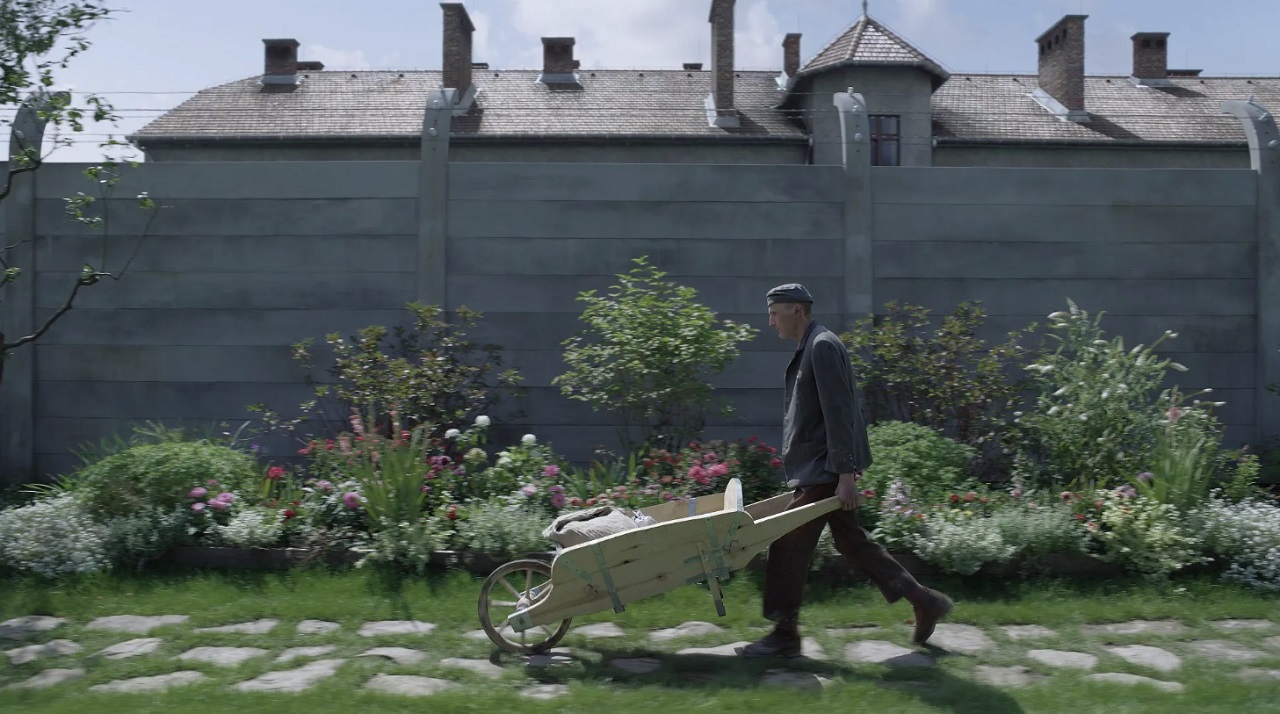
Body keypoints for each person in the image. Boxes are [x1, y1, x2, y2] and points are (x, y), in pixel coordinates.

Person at [738, 283, 953, 658]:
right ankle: (924, 600)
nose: (770, 321)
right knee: (852, 542)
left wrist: (844, 475)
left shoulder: (821, 346)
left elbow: (840, 414)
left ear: (798, 311)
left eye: (775, 313)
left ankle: (784, 635)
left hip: (824, 470)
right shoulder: (814, 345)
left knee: (786, 545)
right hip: (822, 468)